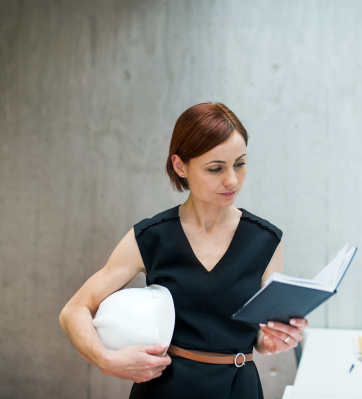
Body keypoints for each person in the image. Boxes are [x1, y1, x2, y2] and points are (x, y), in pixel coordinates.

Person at [59, 102, 308, 398]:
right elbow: (74, 310)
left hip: (238, 390)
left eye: (239, 163)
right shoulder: (152, 237)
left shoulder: (265, 241)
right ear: (180, 166)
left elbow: (259, 337)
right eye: (215, 168)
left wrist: (274, 340)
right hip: (165, 389)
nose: (232, 180)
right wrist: (106, 360)